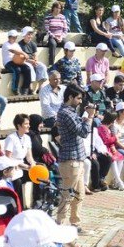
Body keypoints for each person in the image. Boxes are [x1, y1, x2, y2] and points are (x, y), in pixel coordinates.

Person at [55, 85, 94, 229]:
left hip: (77, 159)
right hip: (70, 160)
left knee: (79, 195)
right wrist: (89, 116)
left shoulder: (70, 112)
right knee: (67, 195)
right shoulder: (66, 113)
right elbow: (83, 132)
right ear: (70, 97)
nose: (80, 101)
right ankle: (59, 224)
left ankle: (75, 224)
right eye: (78, 98)